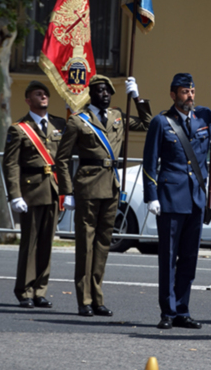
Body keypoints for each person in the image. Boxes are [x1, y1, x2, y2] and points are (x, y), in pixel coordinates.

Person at [143, 73, 211, 330]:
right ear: (173, 94)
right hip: (171, 198)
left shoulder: (204, 117)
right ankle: (168, 311)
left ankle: (182, 310)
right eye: (184, 92)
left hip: (196, 198)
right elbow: (149, 162)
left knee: (189, 258)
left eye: (192, 91)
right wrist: (151, 197)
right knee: (168, 258)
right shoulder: (161, 122)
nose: (190, 96)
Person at [55, 75, 151, 317]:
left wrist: (136, 97)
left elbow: (148, 123)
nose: (106, 94)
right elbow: (62, 158)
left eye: (108, 91)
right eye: (100, 90)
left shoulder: (117, 116)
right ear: (92, 94)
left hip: (111, 185)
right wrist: (66, 191)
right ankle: (84, 300)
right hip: (88, 185)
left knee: (103, 244)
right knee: (85, 245)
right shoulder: (79, 121)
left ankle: (97, 298)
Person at [2, 81, 66, 308]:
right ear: (28, 100)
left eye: (46, 94)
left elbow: (66, 159)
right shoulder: (19, 128)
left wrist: (67, 190)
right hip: (30, 191)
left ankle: (40, 290)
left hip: (53, 189)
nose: (44, 97)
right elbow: (10, 164)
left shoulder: (58, 125)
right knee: (30, 243)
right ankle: (25, 291)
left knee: (47, 243)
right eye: (38, 94)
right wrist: (15, 195)